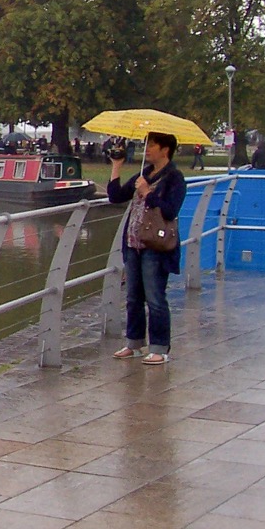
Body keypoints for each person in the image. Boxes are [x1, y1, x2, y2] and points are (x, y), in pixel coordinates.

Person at [107, 131, 187, 365]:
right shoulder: (144, 174)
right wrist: (116, 166)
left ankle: (160, 348)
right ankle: (134, 343)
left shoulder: (174, 177)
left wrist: (147, 193)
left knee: (155, 297)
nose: (147, 149)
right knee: (133, 297)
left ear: (165, 149)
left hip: (156, 246)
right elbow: (115, 196)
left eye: (152, 145)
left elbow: (170, 210)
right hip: (133, 244)